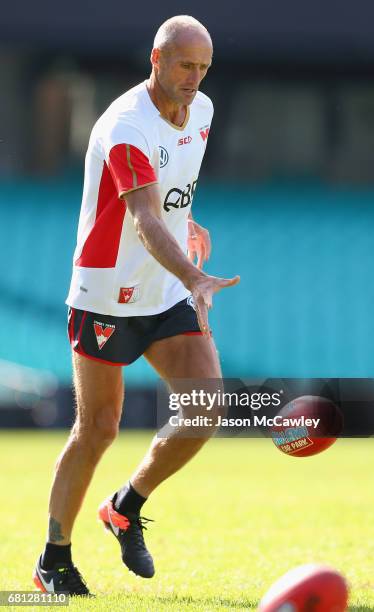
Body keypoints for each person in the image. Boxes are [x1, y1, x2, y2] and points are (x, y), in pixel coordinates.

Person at [33, 15, 239, 596]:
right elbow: (143, 218)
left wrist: (188, 222)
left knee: (206, 408)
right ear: (156, 59)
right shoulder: (126, 125)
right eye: (185, 65)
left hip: (164, 288)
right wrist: (195, 275)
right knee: (98, 428)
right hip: (106, 293)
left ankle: (125, 505)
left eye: (203, 67)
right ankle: (53, 559)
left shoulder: (202, 111)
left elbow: (168, 202)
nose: (195, 78)